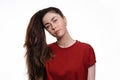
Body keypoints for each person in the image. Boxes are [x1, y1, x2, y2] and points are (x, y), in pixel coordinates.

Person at [24, 7, 96, 80]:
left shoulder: (86, 49)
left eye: (55, 20)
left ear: (64, 19)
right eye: (48, 26)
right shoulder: (45, 51)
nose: (53, 27)